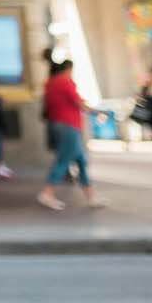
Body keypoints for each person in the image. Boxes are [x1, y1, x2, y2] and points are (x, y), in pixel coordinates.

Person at [37, 59, 106, 210]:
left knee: (81, 160)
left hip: (58, 124)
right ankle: (47, 193)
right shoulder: (65, 82)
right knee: (63, 159)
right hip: (69, 125)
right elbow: (78, 102)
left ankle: (91, 196)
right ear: (68, 69)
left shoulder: (50, 83)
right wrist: (97, 112)